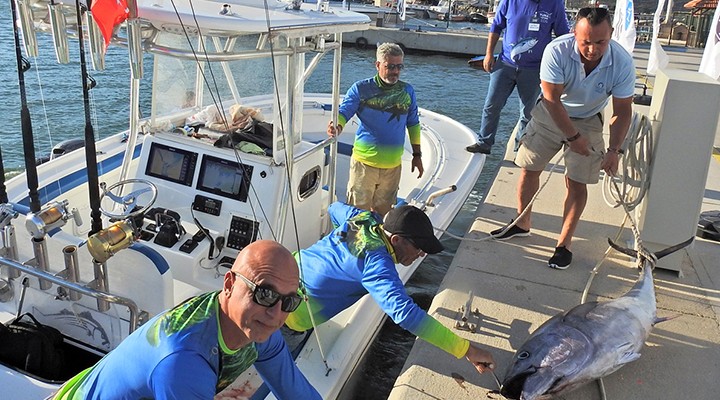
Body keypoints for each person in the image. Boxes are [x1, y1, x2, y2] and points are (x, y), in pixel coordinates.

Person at [53, 240, 320, 400]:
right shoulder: (184, 364)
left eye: (289, 301)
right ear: (229, 284)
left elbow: (295, 391)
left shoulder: (258, 327)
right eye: (265, 294)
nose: (276, 314)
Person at [491, 7, 635, 270]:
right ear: (573, 34)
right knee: (529, 167)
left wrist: (614, 150)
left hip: (589, 117)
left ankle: (564, 244)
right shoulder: (556, 50)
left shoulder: (622, 62)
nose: (592, 49)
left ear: (611, 34)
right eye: (586, 42)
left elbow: (623, 111)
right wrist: (573, 137)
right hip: (551, 112)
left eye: (601, 42)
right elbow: (552, 99)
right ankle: (522, 222)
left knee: (577, 182)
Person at [285, 202, 496, 375]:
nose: (422, 254)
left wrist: (339, 249)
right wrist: (466, 350)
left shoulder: (363, 218)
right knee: (279, 367)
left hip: (281, 270)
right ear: (395, 239)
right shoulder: (377, 264)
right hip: (288, 315)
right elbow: (406, 315)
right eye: (419, 247)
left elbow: (334, 208)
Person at [327, 43, 423, 216]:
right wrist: (337, 126)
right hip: (364, 166)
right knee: (358, 216)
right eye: (390, 66)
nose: (395, 71)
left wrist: (417, 155)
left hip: (392, 168)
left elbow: (413, 123)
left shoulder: (407, 91)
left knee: (384, 216)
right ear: (378, 65)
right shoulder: (361, 88)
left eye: (399, 67)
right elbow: (344, 111)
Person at [466, 0, 569, 155]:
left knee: (528, 112)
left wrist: (562, 64)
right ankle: (484, 143)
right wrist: (489, 54)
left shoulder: (555, 4)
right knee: (491, 105)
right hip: (505, 64)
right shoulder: (509, 1)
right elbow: (496, 26)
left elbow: (563, 36)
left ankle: (520, 150)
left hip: (534, 69)